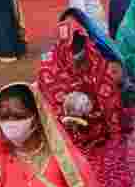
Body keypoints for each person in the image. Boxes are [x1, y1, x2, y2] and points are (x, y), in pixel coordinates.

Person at [37, 12, 123, 151]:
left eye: (81, 45)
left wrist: (114, 132)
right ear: (62, 49)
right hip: (68, 129)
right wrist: (72, 111)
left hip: (96, 122)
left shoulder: (93, 57)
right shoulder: (48, 72)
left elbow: (109, 97)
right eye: (73, 50)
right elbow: (52, 113)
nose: (79, 54)